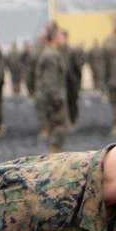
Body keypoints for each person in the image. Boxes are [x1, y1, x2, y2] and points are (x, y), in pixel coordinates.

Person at [34, 24, 68, 153]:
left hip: (49, 95)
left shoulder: (52, 53)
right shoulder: (51, 55)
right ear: (54, 38)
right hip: (51, 97)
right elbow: (50, 79)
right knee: (58, 126)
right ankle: (53, 156)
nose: (64, 39)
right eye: (61, 36)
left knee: (55, 127)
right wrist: (56, 98)